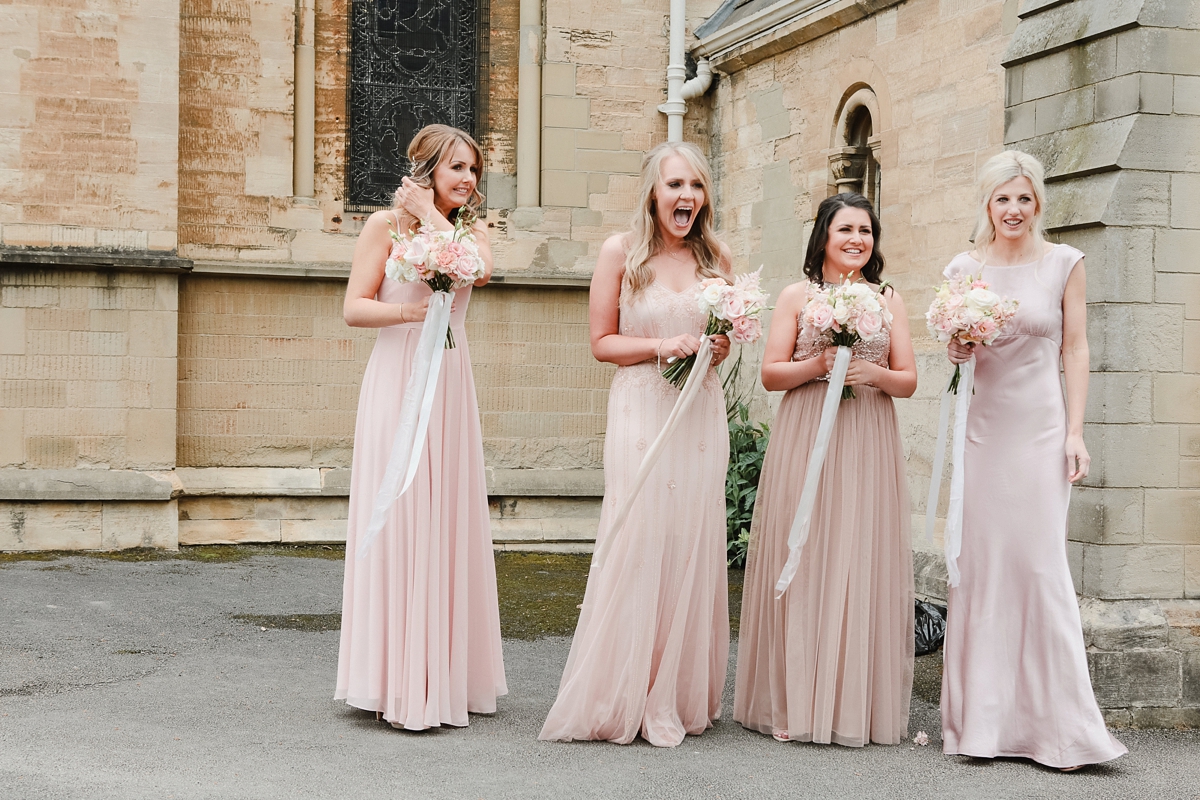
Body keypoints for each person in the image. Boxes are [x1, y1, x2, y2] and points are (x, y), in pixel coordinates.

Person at [539, 141, 733, 747]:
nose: (687, 198)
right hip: (641, 405)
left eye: (697, 187)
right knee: (639, 534)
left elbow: (726, 330)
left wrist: (720, 345)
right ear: (653, 192)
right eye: (676, 186)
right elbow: (602, 341)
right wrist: (660, 347)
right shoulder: (622, 254)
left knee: (689, 539)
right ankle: (620, 691)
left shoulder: (717, 256)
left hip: (699, 411)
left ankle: (672, 691)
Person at [940, 150, 1125, 769]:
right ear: (986, 205)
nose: (1013, 209)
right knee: (985, 565)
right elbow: (954, 353)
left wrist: (1076, 432)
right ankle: (984, 726)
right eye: (1002, 199)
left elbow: (1075, 348)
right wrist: (959, 346)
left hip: (1042, 432)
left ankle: (1061, 730)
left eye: (1023, 198)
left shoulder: (1064, 263)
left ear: (1037, 202)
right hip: (984, 436)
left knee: (1041, 565)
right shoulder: (965, 267)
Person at [335, 124, 506, 730]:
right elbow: (355, 307)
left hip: (450, 382)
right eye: (457, 167)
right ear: (430, 167)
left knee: (445, 516)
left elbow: (477, 273)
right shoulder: (381, 228)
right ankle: (389, 678)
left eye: (473, 171)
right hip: (396, 374)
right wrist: (410, 312)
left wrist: (431, 216)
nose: (467, 180)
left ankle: (445, 675)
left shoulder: (470, 232)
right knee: (402, 512)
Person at [734, 192, 917, 746]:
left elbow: (907, 379)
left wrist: (870, 373)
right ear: (824, 237)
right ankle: (795, 698)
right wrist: (819, 364)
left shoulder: (888, 298)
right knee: (808, 550)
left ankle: (849, 702)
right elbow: (769, 373)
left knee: (857, 554)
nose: (857, 240)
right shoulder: (797, 295)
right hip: (807, 427)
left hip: (867, 434)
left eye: (865, 230)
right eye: (846, 230)